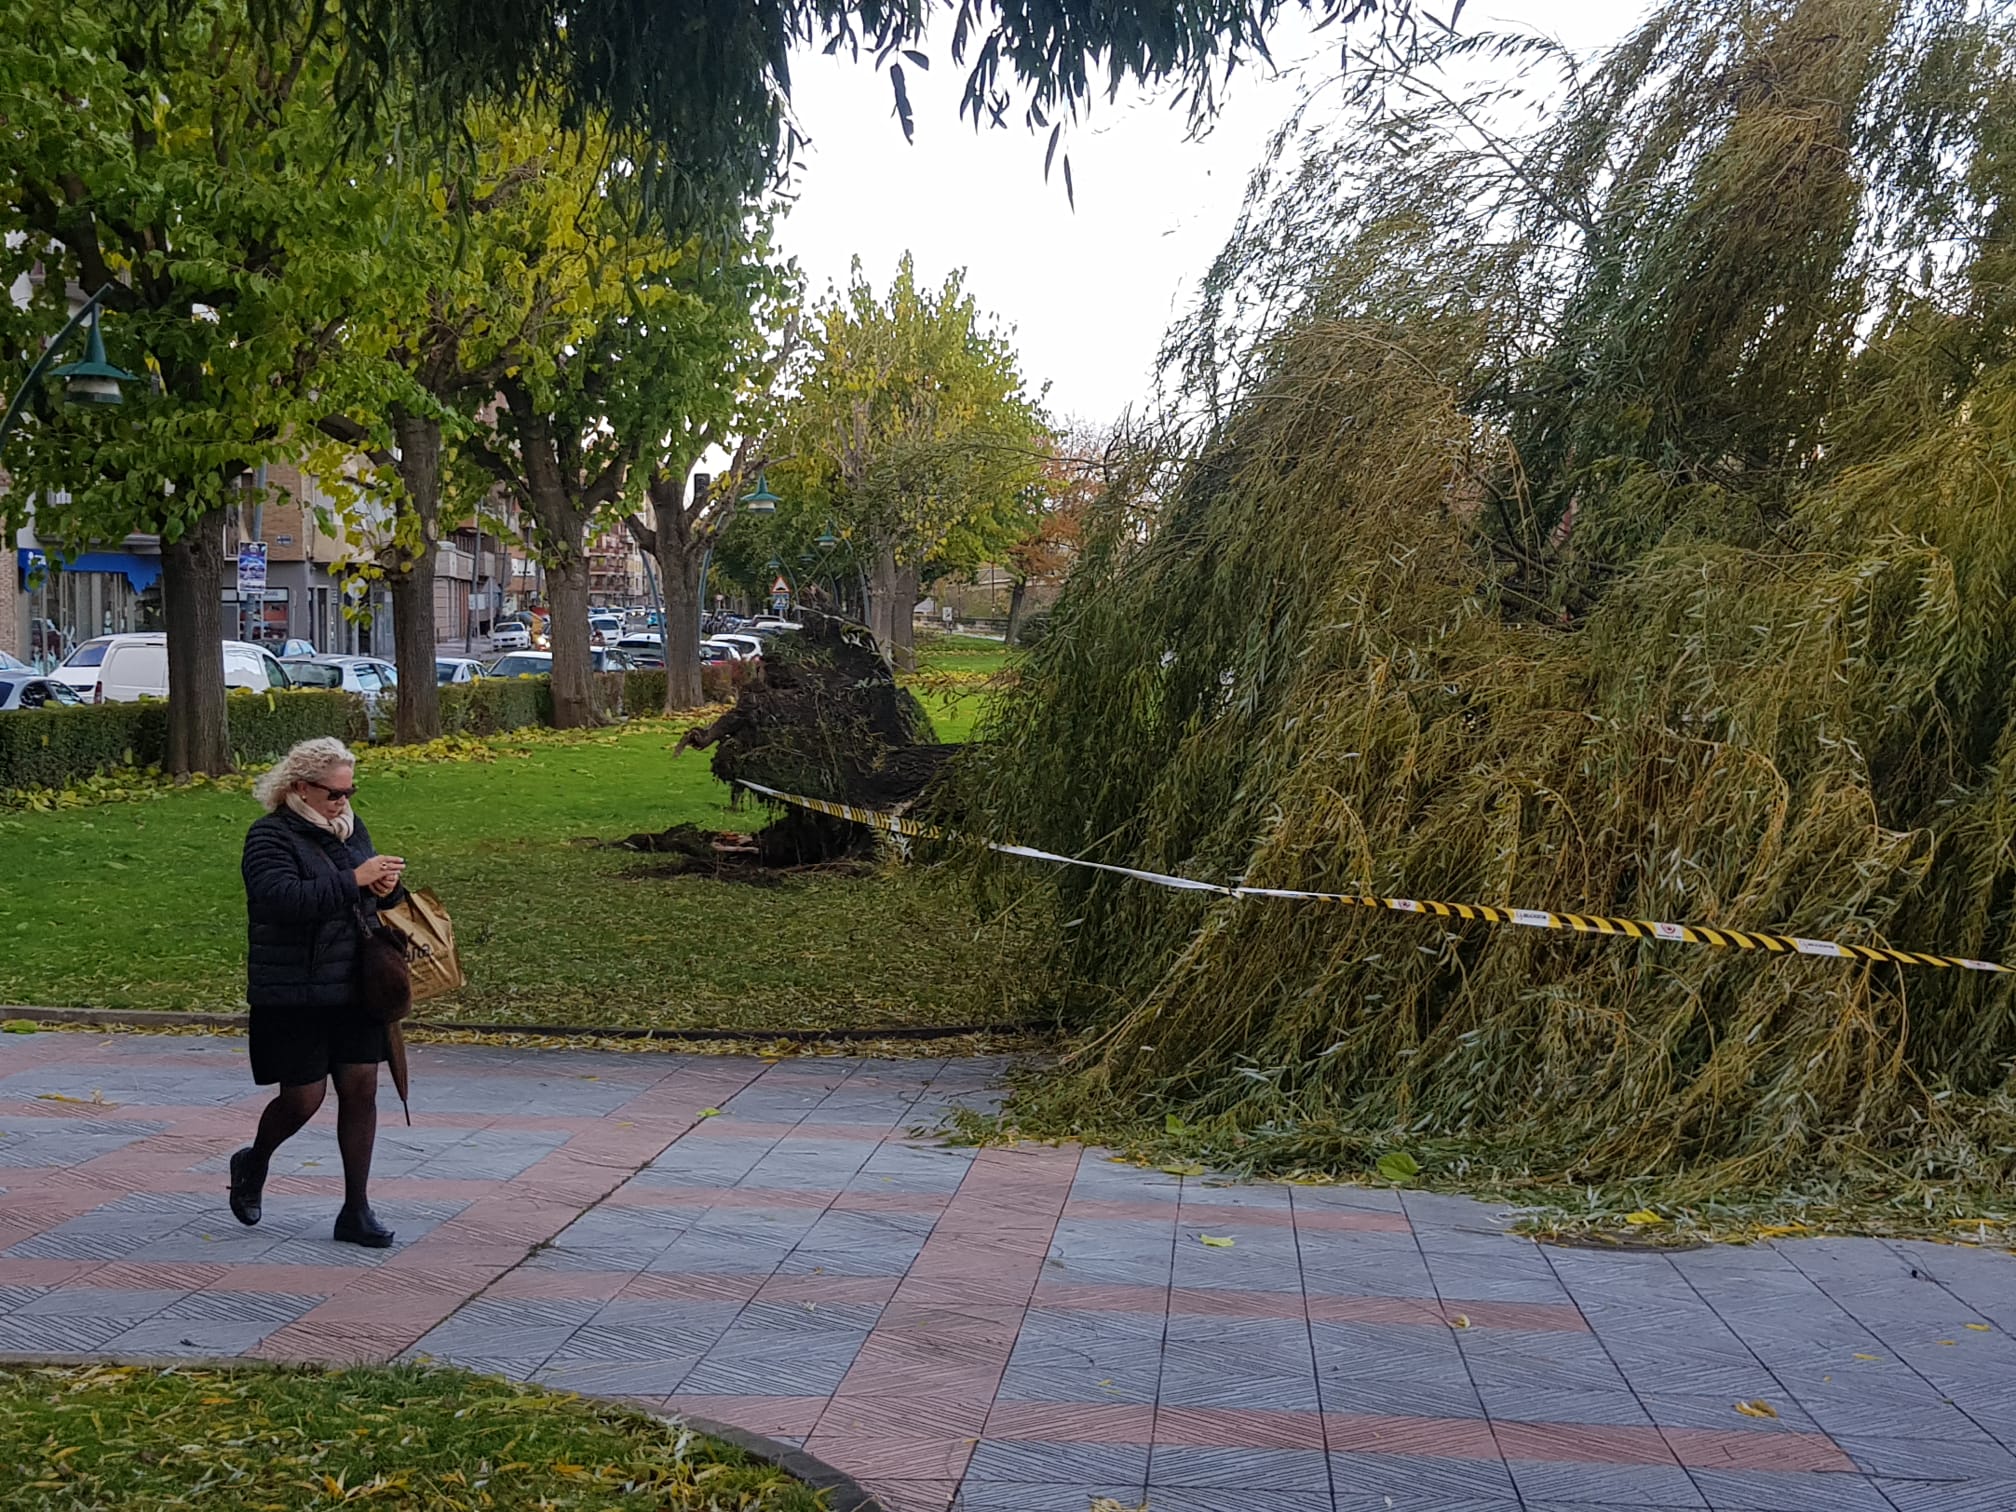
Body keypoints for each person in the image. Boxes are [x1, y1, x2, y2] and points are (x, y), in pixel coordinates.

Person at [230, 737, 407, 1247]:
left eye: (350, 792)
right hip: (295, 989)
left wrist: (386, 888)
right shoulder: (269, 837)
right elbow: (280, 900)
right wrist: (355, 879)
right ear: (301, 787)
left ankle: (356, 1209)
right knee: (303, 1099)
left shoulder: (351, 829)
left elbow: (370, 897)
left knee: (361, 1091)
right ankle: (254, 1160)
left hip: (356, 983)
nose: (343, 802)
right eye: (334, 793)